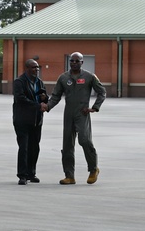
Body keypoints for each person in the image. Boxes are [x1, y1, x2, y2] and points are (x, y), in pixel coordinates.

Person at [47, 52, 106, 185]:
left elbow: (102, 92)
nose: (74, 63)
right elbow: (56, 95)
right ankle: (69, 176)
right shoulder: (63, 78)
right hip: (68, 114)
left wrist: (95, 107)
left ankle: (93, 169)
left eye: (77, 61)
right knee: (67, 145)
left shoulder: (89, 77)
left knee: (85, 140)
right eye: (71, 61)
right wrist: (48, 106)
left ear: (82, 62)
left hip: (82, 113)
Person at [12, 59, 48, 185]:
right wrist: (37, 105)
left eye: (37, 67)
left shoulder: (39, 82)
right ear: (26, 68)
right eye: (33, 67)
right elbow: (20, 98)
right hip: (22, 120)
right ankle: (22, 175)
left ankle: (31, 173)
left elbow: (44, 97)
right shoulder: (19, 82)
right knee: (24, 148)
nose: (36, 70)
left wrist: (44, 99)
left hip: (36, 120)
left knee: (34, 148)